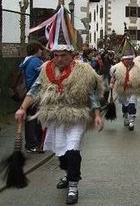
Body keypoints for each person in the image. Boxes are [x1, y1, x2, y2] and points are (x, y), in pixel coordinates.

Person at [15, 43, 104, 205]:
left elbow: (91, 94)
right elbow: (34, 91)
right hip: (55, 118)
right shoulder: (46, 70)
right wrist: (22, 108)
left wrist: (97, 114)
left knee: (73, 149)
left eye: (63, 55)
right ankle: (67, 172)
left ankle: (73, 186)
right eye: (56, 55)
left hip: (77, 116)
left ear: (72, 55)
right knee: (61, 154)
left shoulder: (82, 71)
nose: (59, 59)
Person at [110, 48, 140, 130]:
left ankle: (131, 121)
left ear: (132, 59)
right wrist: (111, 83)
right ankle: (125, 117)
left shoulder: (139, 68)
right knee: (125, 105)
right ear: (123, 59)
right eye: (127, 59)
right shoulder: (117, 68)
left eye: (130, 59)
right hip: (122, 90)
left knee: (132, 104)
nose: (128, 61)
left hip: (133, 89)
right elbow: (113, 77)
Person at [19, 41, 45, 153]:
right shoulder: (36, 61)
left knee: (32, 119)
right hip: (35, 94)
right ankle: (33, 144)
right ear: (36, 50)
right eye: (40, 49)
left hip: (28, 93)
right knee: (34, 120)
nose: (42, 51)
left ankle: (33, 143)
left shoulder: (27, 60)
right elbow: (45, 74)